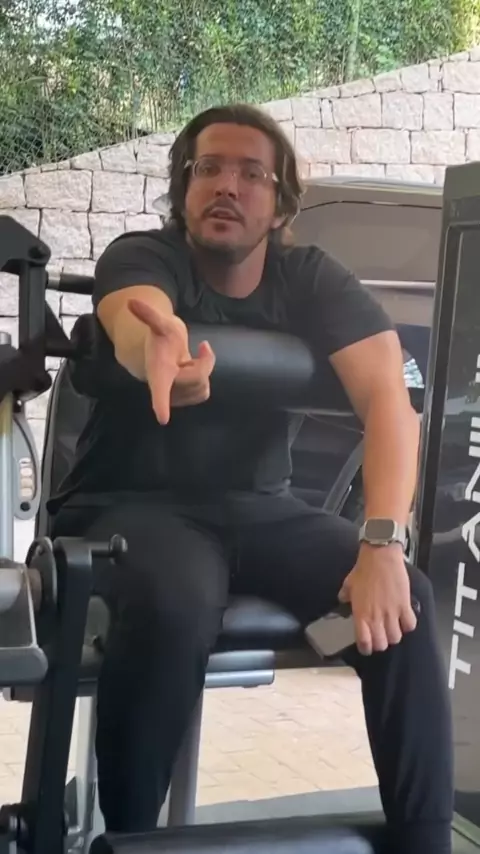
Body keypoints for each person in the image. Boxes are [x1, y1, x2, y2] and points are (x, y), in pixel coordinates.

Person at [50, 103, 453, 854]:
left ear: (282, 202)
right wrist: (156, 347)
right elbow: (138, 319)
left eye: (251, 174)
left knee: (409, 601)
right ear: (184, 187)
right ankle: (131, 839)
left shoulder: (310, 277)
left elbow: (389, 403)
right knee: (177, 600)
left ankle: (424, 843)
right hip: (127, 504)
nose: (227, 186)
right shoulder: (144, 254)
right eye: (208, 168)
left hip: (260, 510)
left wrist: (383, 544)